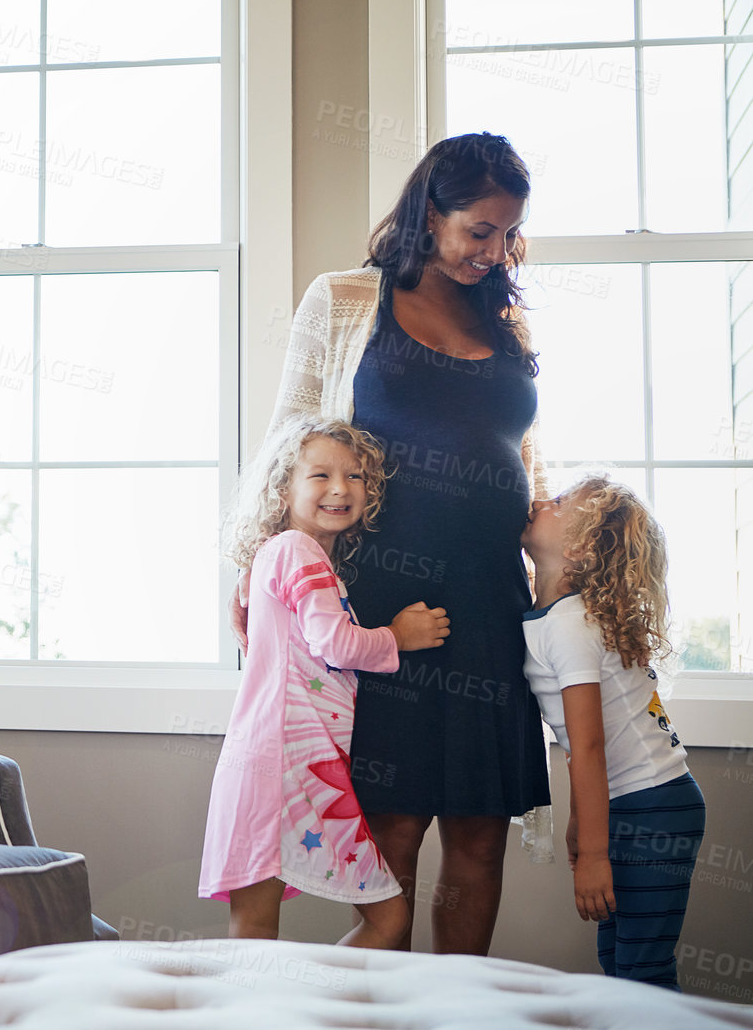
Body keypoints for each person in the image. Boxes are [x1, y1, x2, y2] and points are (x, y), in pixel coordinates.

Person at [237, 132, 550, 954]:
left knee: (482, 836)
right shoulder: (343, 300)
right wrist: (250, 574)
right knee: (393, 835)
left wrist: (561, 580)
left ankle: (462, 1015)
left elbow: (522, 456)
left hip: (489, 602)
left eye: (507, 233)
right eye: (478, 231)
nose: (494, 251)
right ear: (429, 213)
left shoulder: (504, 317)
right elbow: (287, 445)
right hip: (379, 605)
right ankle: (384, 1013)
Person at [200, 415, 450, 947]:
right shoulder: (296, 551)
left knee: (258, 931)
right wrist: (397, 637)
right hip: (284, 768)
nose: (340, 488)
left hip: (285, 767)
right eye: (320, 475)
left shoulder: (287, 556)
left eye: (355, 476)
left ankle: (298, 1010)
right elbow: (334, 643)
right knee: (380, 919)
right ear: (283, 488)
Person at [521, 476, 704, 989]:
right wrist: (583, 824)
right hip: (634, 801)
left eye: (557, 503)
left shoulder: (569, 624)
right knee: (617, 960)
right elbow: (581, 746)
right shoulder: (553, 617)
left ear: (578, 549)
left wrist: (595, 854)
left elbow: (590, 746)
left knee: (642, 966)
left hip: (653, 806)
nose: (540, 502)